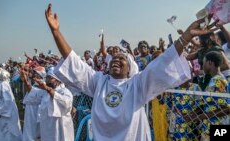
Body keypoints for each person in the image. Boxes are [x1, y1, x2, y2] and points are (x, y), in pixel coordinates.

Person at [44, 4, 217, 141]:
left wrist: (185, 37)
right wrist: (56, 32)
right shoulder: (98, 82)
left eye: (122, 59)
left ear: (130, 69)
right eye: (114, 58)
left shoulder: (138, 85)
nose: (117, 60)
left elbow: (162, 63)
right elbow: (73, 61)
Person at [34, 67, 74, 141]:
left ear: (58, 80)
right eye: (47, 78)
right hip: (48, 130)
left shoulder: (65, 92)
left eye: (50, 78)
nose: (47, 80)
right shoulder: (45, 93)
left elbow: (65, 104)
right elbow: (33, 97)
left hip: (60, 129)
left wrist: (48, 89)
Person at [0, 68, 22, 141]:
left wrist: (0, 111)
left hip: (4, 113)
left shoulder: (3, 84)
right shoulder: (2, 83)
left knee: (7, 130)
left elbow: (8, 100)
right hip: (3, 111)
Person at [20, 66, 46, 141]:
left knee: (33, 128)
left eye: (36, 73)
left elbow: (30, 89)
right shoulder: (36, 83)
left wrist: (25, 80)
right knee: (31, 127)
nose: (34, 74)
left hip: (36, 109)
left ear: (40, 74)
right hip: (31, 109)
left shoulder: (42, 84)